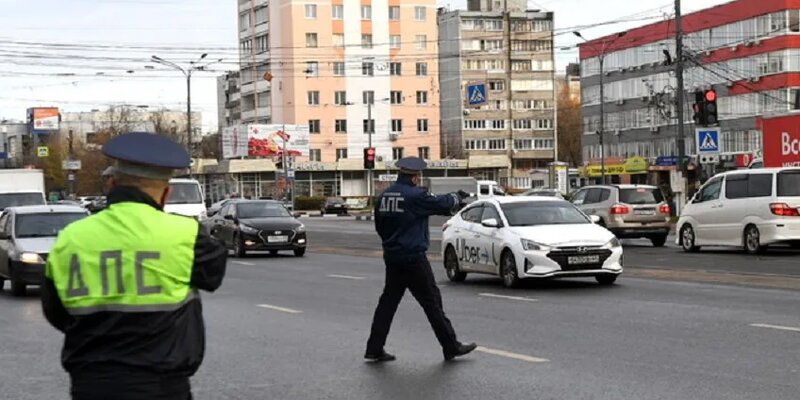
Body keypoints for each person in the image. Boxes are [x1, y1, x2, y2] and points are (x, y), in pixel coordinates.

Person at [41, 132, 228, 400]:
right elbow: (213, 275)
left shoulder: (70, 238)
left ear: (112, 184)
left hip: (91, 385)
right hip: (162, 387)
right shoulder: (186, 234)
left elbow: (55, 312)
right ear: (166, 193)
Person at [365, 157, 476, 362]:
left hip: (392, 256)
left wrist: (392, 243)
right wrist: (456, 197)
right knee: (432, 302)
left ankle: (374, 347)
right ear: (415, 177)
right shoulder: (415, 195)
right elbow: (440, 204)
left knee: (387, 303)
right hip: (413, 258)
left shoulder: (384, 197)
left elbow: (379, 227)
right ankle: (450, 346)